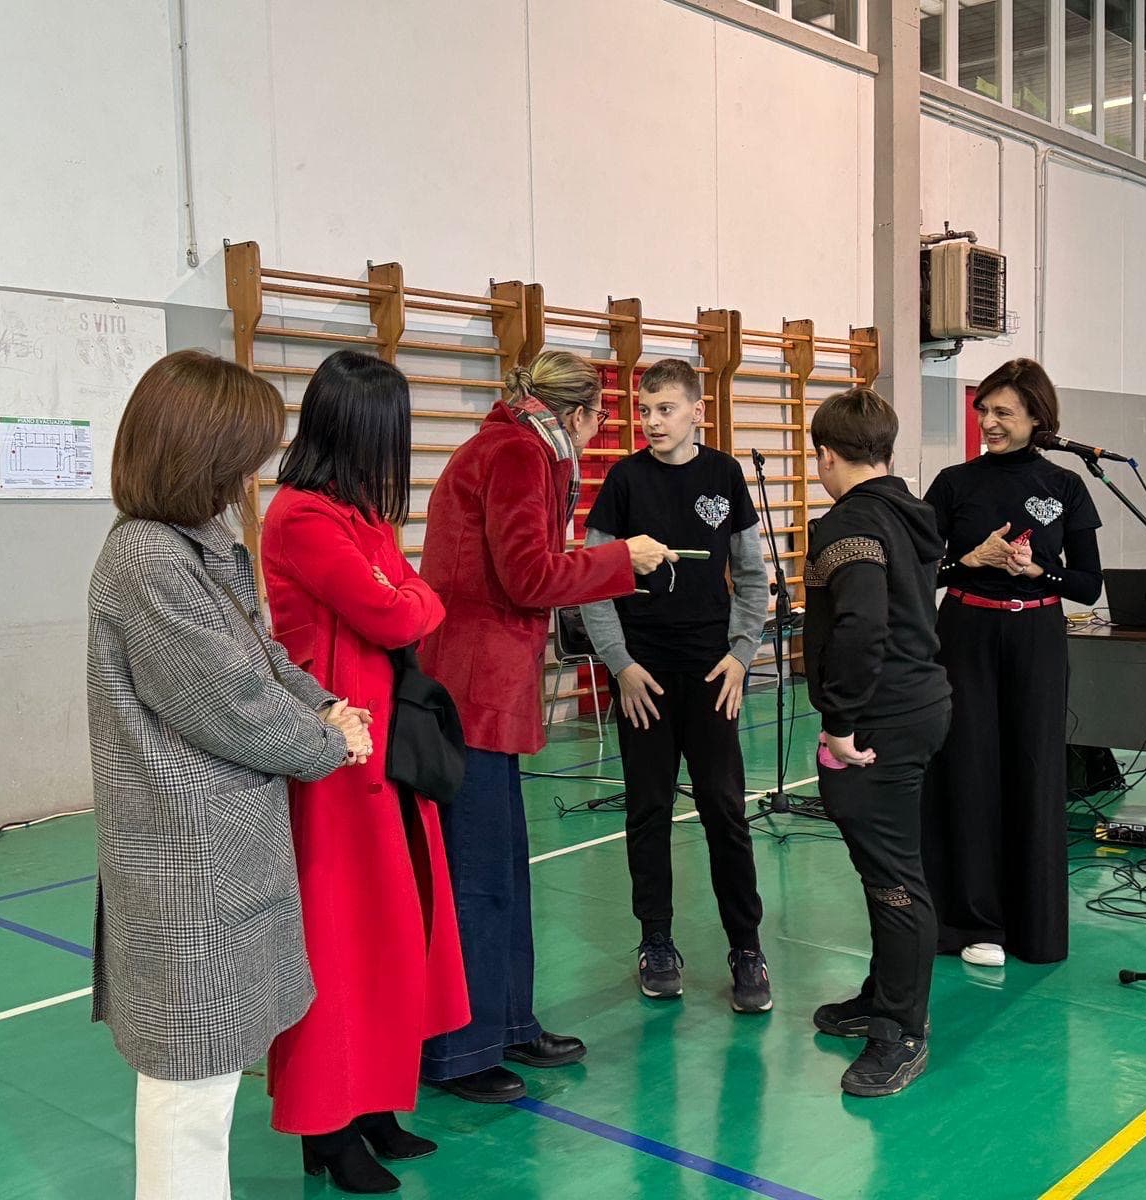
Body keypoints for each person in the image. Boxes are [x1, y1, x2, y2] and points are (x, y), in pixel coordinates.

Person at [87, 348, 372, 1200]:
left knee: (206, 1084)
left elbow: (262, 657)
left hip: (223, 852)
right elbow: (229, 701)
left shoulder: (197, 543)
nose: (255, 473)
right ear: (199, 452)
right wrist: (327, 739)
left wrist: (326, 706)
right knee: (189, 1094)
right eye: (244, 453)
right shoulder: (147, 561)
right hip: (185, 863)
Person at [418, 350, 675, 1103]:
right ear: (578, 413)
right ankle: (464, 1049)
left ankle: (507, 1020)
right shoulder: (516, 453)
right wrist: (619, 559)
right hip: (472, 686)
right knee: (478, 876)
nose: (599, 438)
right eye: (600, 421)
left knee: (502, 869)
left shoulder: (520, 447)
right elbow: (528, 576)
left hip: (486, 680)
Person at [261, 351, 470, 1194]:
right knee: (340, 941)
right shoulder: (304, 518)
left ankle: (376, 1104)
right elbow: (398, 605)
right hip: (334, 762)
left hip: (384, 754)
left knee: (397, 931)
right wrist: (406, 596)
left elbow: (417, 596)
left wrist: (406, 596)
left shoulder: (356, 517)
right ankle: (327, 1123)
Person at [578, 358, 770, 1012]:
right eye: (645, 410)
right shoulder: (624, 481)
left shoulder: (724, 476)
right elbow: (593, 580)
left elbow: (751, 578)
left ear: (696, 412)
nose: (653, 421)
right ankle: (655, 940)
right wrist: (621, 664)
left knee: (725, 807)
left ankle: (746, 946)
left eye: (666, 409)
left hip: (713, 674)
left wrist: (742, 655)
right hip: (643, 678)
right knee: (649, 809)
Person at [921, 358, 1103, 968]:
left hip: (1038, 636)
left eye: (1004, 412)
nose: (989, 422)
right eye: (984, 410)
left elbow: (1086, 583)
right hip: (966, 632)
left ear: (1035, 418)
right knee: (969, 772)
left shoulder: (1066, 485)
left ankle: (1036, 925)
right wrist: (970, 558)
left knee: (1036, 769)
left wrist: (1035, 571)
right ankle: (974, 921)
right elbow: (921, 572)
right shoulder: (953, 483)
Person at [803, 387, 952, 1098]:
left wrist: (839, 720)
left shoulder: (850, 524)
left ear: (827, 455)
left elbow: (861, 626)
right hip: (916, 702)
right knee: (883, 868)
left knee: (894, 877)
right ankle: (882, 994)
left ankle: (902, 1029)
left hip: (879, 719)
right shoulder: (907, 512)